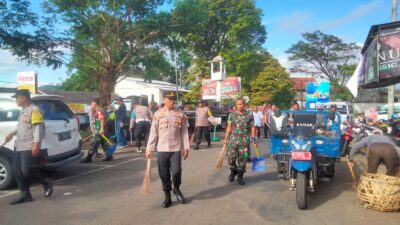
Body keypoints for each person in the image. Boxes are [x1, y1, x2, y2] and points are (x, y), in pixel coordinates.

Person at [4, 89, 53, 205]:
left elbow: (37, 127)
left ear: (23, 98)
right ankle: (25, 195)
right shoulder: (23, 111)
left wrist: (36, 143)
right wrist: (12, 133)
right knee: (17, 171)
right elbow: (22, 126)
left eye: (17, 97)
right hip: (19, 145)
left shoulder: (34, 110)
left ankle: (46, 183)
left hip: (29, 145)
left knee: (27, 171)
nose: (16, 100)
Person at [146, 92, 190, 208]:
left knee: (176, 172)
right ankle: (167, 197)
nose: (172, 101)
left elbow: (184, 132)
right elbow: (153, 133)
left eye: (173, 99)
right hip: (162, 148)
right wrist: (149, 148)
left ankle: (176, 189)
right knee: (163, 174)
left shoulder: (180, 114)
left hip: (176, 148)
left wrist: (186, 147)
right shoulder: (158, 114)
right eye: (169, 99)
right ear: (164, 100)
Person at [223, 98, 257, 185]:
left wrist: (254, 138)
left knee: (243, 159)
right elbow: (229, 127)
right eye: (238, 104)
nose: (239, 106)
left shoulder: (249, 114)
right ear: (236, 104)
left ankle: (240, 177)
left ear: (245, 104)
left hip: (244, 139)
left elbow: (252, 127)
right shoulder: (232, 114)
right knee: (230, 158)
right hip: (233, 139)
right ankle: (233, 171)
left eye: (241, 104)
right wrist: (226, 138)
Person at [81, 98, 113, 163]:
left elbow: (101, 120)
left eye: (92, 104)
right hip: (98, 130)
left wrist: (101, 129)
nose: (91, 105)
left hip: (98, 131)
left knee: (93, 144)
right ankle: (109, 156)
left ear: (95, 104)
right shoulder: (94, 110)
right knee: (104, 144)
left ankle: (88, 158)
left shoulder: (98, 111)